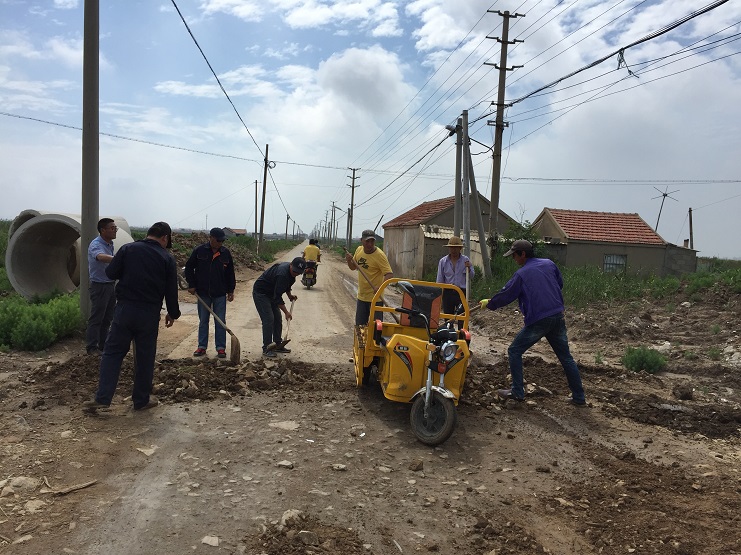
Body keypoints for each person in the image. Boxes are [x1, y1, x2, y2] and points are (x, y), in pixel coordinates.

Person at [83, 222, 181, 412]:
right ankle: (141, 400)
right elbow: (171, 291)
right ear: (165, 238)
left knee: (112, 353)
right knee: (145, 357)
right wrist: (173, 313)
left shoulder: (128, 249)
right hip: (149, 314)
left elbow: (111, 272)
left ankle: (103, 399)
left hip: (124, 310)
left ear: (148, 234)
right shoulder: (166, 258)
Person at [479, 239, 586, 407]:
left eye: (514, 255)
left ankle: (517, 391)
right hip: (557, 315)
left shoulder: (521, 274)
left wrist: (490, 303)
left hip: (540, 319)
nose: (514, 258)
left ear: (522, 254)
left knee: (514, 350)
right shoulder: (549, 264)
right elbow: (559, 284)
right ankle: (579, 397)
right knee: (566, 357)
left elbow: (507, 294)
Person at [184, 227, 236, 358]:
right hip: (203, 293)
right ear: (211, 238)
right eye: (218, 240)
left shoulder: (225, 253)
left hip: (220, 293)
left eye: (222, 241)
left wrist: (231, 290)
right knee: (203, 321)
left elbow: (230, 273)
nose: (220, 243)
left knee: (220, 321)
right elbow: (189, 267)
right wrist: (191, 285)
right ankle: (202, 347)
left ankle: (220, 348)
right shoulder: (199, 251)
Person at [252, 256, 305, 358]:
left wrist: (289, 295)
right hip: (261, 293)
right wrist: (286, 312)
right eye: (294, 271)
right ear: (291, 265)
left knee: (277, 319)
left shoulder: (291, 274)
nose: (295, 273)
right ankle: (267, 348)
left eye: (298, 272)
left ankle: (278, 344)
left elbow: (287, 285)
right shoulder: (282, 274)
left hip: (272, 293)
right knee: (269, 319)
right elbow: (277, 297)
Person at [345, 229, 393, 325]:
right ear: (361, 240)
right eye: (367, 241)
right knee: (360, 326)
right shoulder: (359, 250)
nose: (370, 244)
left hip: (376, 299)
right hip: (362, 297)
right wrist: (349, 261)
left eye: (372, 241)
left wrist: (380, 288)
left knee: (375, 329)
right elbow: (353, 267)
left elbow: (389, 274)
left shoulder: (380, 255)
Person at [85, 218, 118, 356]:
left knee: (107, 318)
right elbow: (100, 257)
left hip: (110, 285)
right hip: (99, 286)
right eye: (112, 228)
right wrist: (119, 258)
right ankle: (92, 347)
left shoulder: (110, 244)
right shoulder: (96, 244)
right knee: (97, 318)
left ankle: (103, 346)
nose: (115, 230)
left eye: (115, 228)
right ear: (103, 230)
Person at [436, 235, 474, 315]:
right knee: (448, 317)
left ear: (460, 248)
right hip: (448, 293)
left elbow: (472, 276)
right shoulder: (443, 261)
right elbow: (440, 280)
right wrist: (439, 297)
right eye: (452, 248)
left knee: (462, 316)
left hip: (461, 292)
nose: (453, 250)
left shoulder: (465, 260)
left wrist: (469, 268)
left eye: (456, 248)